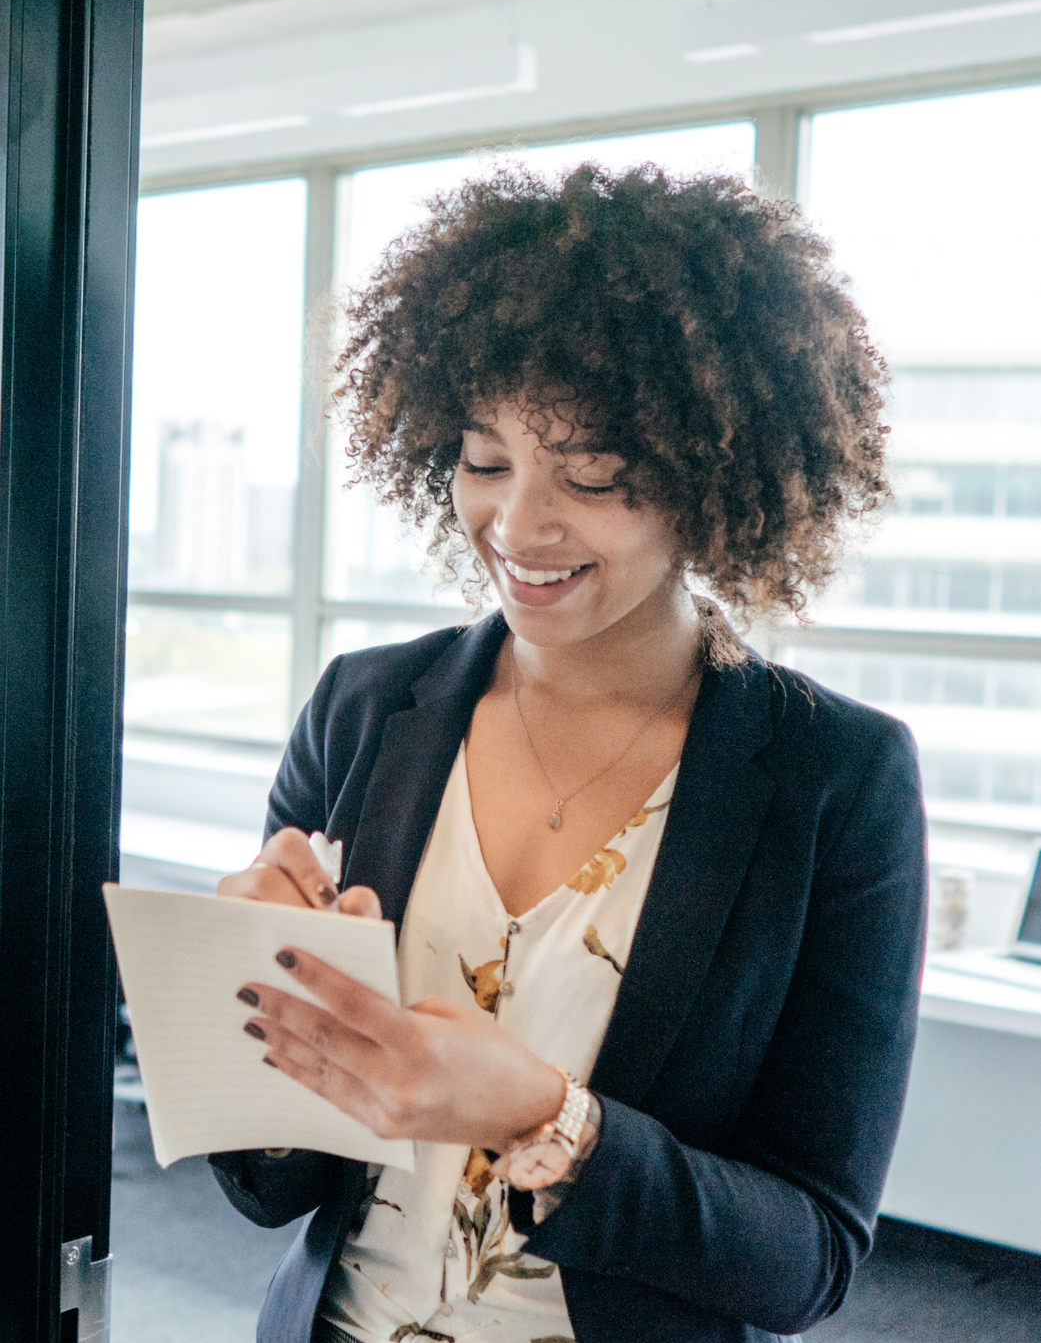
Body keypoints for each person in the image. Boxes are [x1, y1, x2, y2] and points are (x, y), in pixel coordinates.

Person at [210, 164, 927, 1343]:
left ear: (712, 479)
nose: (520, 526)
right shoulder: (362, 708)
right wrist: (252, 986)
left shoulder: (833, 782)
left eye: (592, 475)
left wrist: (552, 1119)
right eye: (485, 461)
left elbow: (809, 1257)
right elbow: (270, 1181)